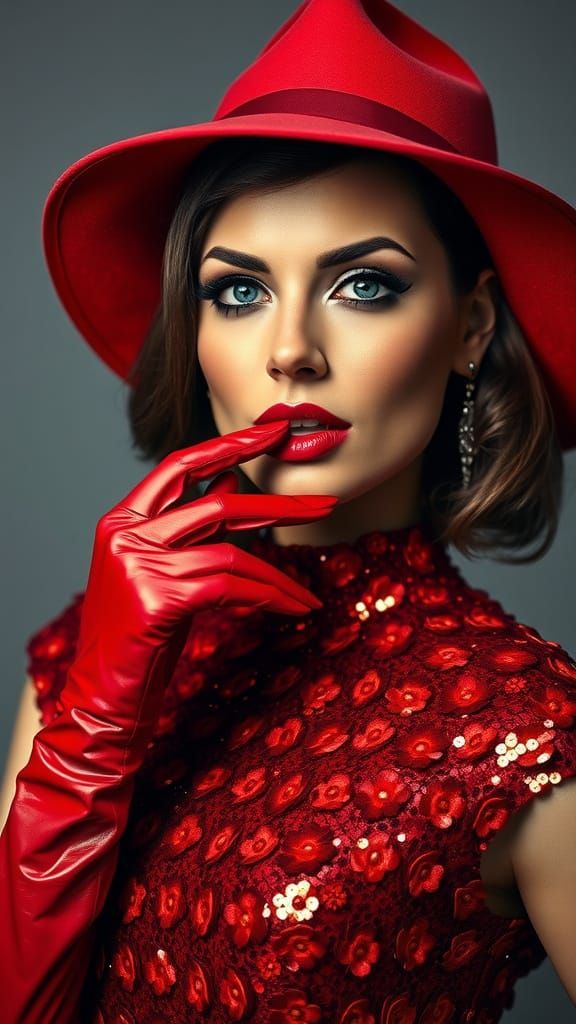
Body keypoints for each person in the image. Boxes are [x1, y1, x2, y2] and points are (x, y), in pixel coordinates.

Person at [1, 0, 575, 1021]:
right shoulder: (91, 649)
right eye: (239, 291)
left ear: (469, 326)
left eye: (362, 284)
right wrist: (90, 732)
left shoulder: (527, 730)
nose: (290, 350)